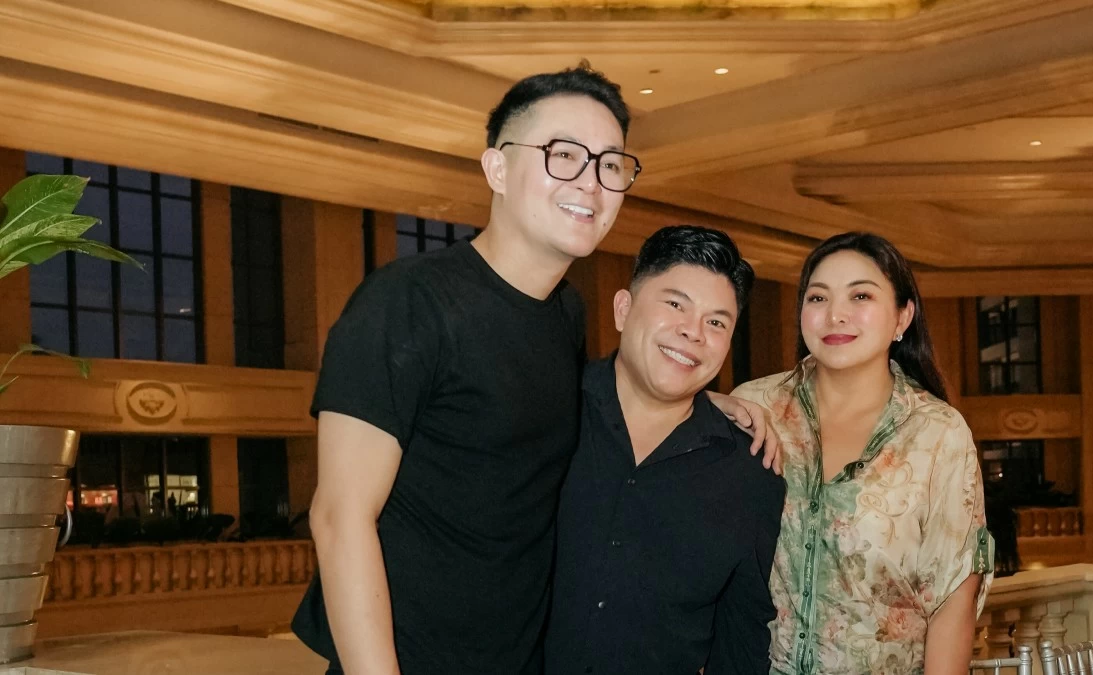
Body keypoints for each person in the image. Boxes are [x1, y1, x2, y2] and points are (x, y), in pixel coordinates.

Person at [291, 66, 778, 675]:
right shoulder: (407, 303)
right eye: (564, 155)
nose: (591, 183)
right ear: (497, 168)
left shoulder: (564, 313)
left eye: (609, 165)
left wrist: (704, 404)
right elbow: (339, 517)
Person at [731, 232, 994, 675]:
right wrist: (705, 404)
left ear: (902, 316)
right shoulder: (753, 409)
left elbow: (952, 599)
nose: (835, 314)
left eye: (861, 296)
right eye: (818, 297)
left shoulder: (937, 434)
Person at [545, 226, 786, 675]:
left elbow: (741, 636)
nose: (693, 332)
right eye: (675, 304)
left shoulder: (749, 474)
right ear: (623, 309)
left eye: (717, 322)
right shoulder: (544, 411)